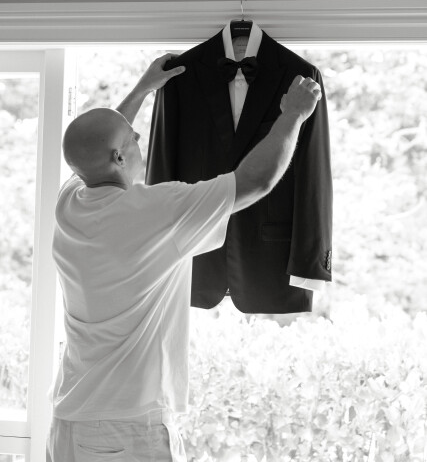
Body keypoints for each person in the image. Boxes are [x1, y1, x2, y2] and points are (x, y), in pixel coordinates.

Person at [46, 53, 322, 462]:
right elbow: (255, 181)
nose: (140, 142)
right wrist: (293, 116)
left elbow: (94, 148)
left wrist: (142, 89)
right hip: (123, 429)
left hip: (68, 419)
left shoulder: (69, 201)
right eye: (133, 140)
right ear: (120, 158)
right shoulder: (154, 211)